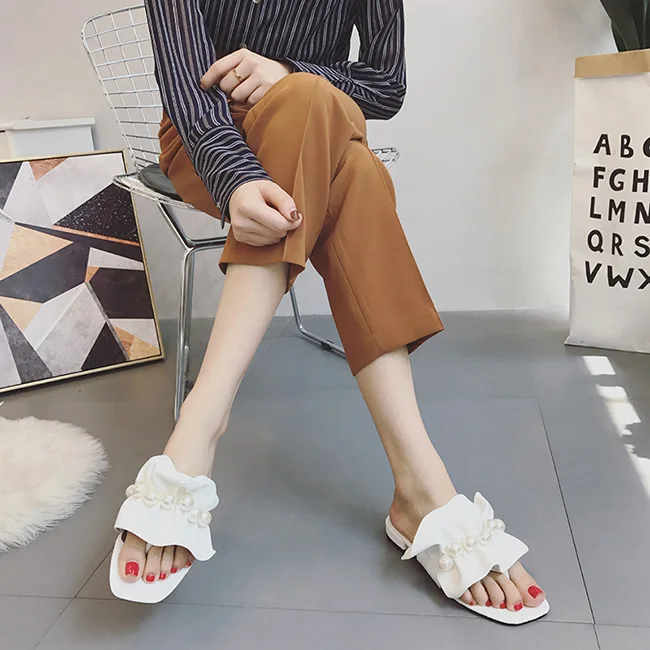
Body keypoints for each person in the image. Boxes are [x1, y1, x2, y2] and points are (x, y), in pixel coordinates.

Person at [109, 0, 548, 623]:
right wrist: (236, 177)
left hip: (322, 123)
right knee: (353, 166)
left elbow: (386, 87)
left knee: (312, 102)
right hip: (205, 139)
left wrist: (288, 72)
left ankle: (198, 431)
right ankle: (421, 486)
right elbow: (187, 84)